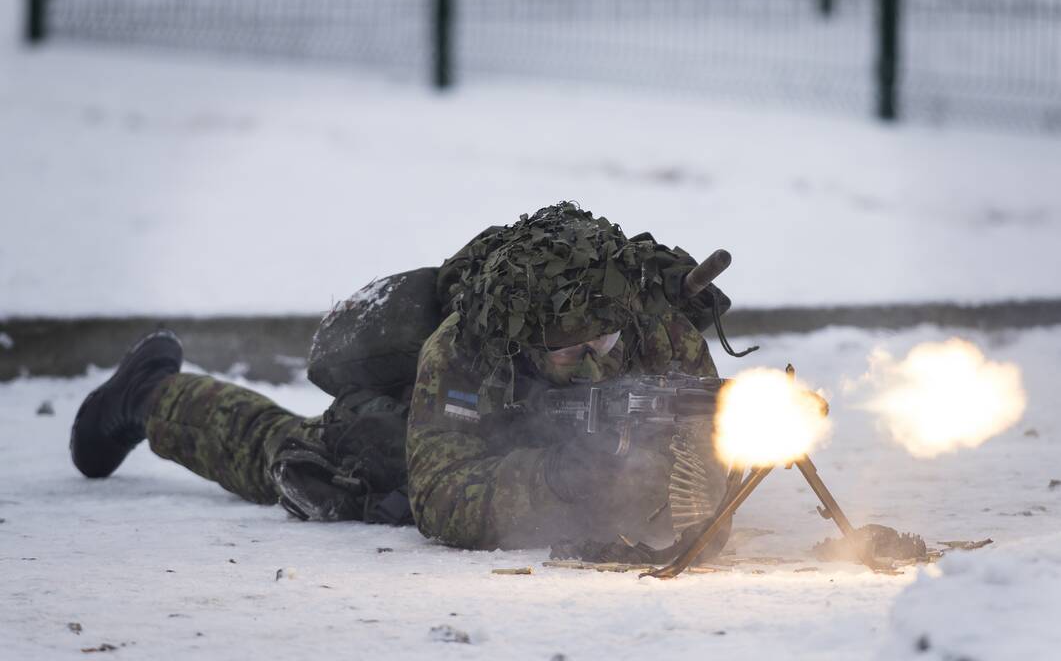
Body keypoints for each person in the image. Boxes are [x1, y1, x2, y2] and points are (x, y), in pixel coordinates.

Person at [70, 202, 729, 550]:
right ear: (522, 342)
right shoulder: (466, 346)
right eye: (566, 350)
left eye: (604, 339)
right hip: (428, 427)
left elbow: (704, 453)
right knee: (329, 468)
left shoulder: (657, 329)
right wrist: (555, 479)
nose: (593, 360)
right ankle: (148, 392)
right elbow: (442, 502)